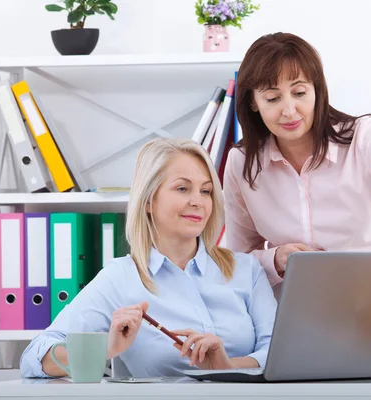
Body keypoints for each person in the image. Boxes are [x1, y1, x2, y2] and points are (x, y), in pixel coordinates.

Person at [20, 138, 276, 378]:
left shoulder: (246, 270)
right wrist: (105, 349)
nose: (198, 201)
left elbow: (278, 353)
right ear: (148, 201)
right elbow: (34, 356)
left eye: (206, 191)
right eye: (183, 188)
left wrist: (227, 367)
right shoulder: (121, 278)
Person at [223, 32, 371, 288]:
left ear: (317, 90)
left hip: (368, 300)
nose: (289, 110)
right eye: (273, 98)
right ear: (253, 103)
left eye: (299, 92)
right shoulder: (242, 162)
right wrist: (275, 259)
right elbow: (238, 260)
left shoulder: (364, 137)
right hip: (287, 310)